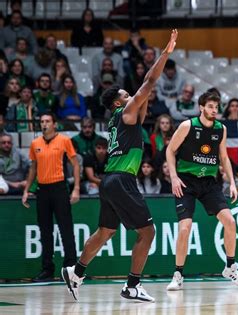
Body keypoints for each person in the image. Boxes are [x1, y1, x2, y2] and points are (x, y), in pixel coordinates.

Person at [61, 29, 178, 303]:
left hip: (110, 180)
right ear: (118, 102)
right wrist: (166, 53)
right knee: (148, 233)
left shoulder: (122, 118)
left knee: (105, 232)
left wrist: (145, 92)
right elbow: (148, 82)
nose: (132, 96)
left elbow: (145, 98)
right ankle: (132, 286)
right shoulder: (124, 111)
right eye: (127, 94)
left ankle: (76, 272)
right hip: (122, 180)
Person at [165, 91, 238, 291]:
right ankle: (178, 274)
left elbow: (224, 157)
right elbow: (170, 150)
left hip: (209, 182)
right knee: (185, 228)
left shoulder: (221, 129)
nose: (214, 110)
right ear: (201, 107)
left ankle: (230, 266)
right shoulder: (187, 126)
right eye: (210, 107)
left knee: (230, 221)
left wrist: (233, 183)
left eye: (216, 107)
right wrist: (174, 177)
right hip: (186, 182)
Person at [22, 112, 81, 282]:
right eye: (41, 121)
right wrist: (27, 189)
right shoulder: (35, 143)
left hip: (59, 189)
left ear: (54, 124)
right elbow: (33, 168)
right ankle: (47, 269)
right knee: (45, 231)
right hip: (42, 191)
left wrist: (76, 188)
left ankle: (71, 268)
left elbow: (75, 165)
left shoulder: (64, 140)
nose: (44, 124)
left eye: (47, 121)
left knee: (66, 229)